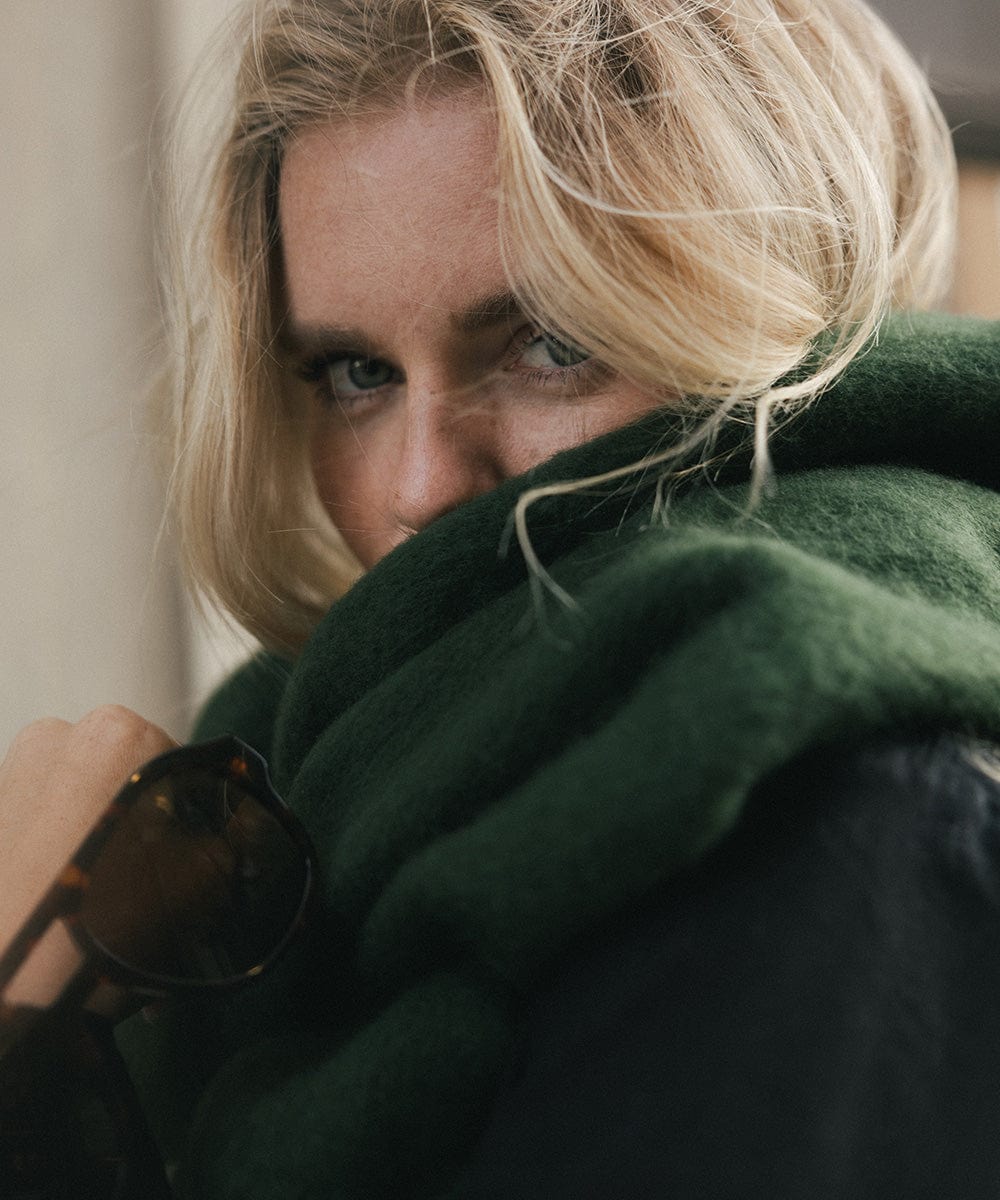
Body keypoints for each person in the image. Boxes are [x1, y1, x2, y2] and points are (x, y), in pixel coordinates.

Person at [3, 0, 1000, 1196]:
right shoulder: (286, 790)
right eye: (355, 373)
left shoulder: (831, 827)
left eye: (552, 342)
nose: (420, 486)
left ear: (794, 312)